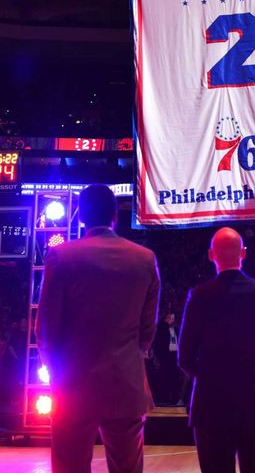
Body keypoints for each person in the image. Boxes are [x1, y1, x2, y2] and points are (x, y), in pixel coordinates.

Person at [37, 184, 160, 473]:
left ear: (80, 216)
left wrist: (54, 370)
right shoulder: (144, 258)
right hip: (126, 383)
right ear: (116, 215)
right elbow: (148, 329)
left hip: (73, 384)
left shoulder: (61, 256)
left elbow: (46, 328)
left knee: (70, 467)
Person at [179, 227, 255, 473]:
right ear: (243, 253)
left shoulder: (199, 295)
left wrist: (210, 376)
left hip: (211, 402)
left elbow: (185, 356)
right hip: (254, 398)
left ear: (212, 255)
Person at [153, 312, 182, 405]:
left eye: (172, 318)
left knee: (172, 376)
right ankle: (163, 395)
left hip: (173, 356)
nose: (171, 319)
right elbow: (158, 343)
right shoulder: (162, 329)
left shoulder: (175, 329)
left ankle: (172, 395)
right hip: (165, 356)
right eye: (169, 317)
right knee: (165, 374)